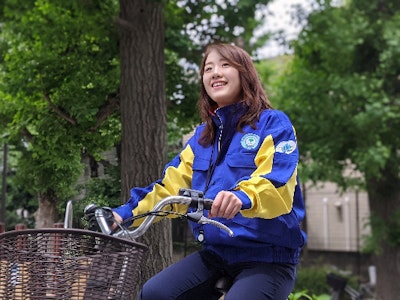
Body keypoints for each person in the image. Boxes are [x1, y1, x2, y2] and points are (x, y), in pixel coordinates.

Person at [112, 43, 306, 300]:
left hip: (268, 257)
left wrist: (242, 196)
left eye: (225, 65)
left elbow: (278, 182)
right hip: (217, 253)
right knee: (154, 293)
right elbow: (170, 189)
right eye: (208, 68)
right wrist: (121, 215)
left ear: (244, 73)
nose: (215, 72)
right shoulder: (202, 137)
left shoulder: (273, 123)